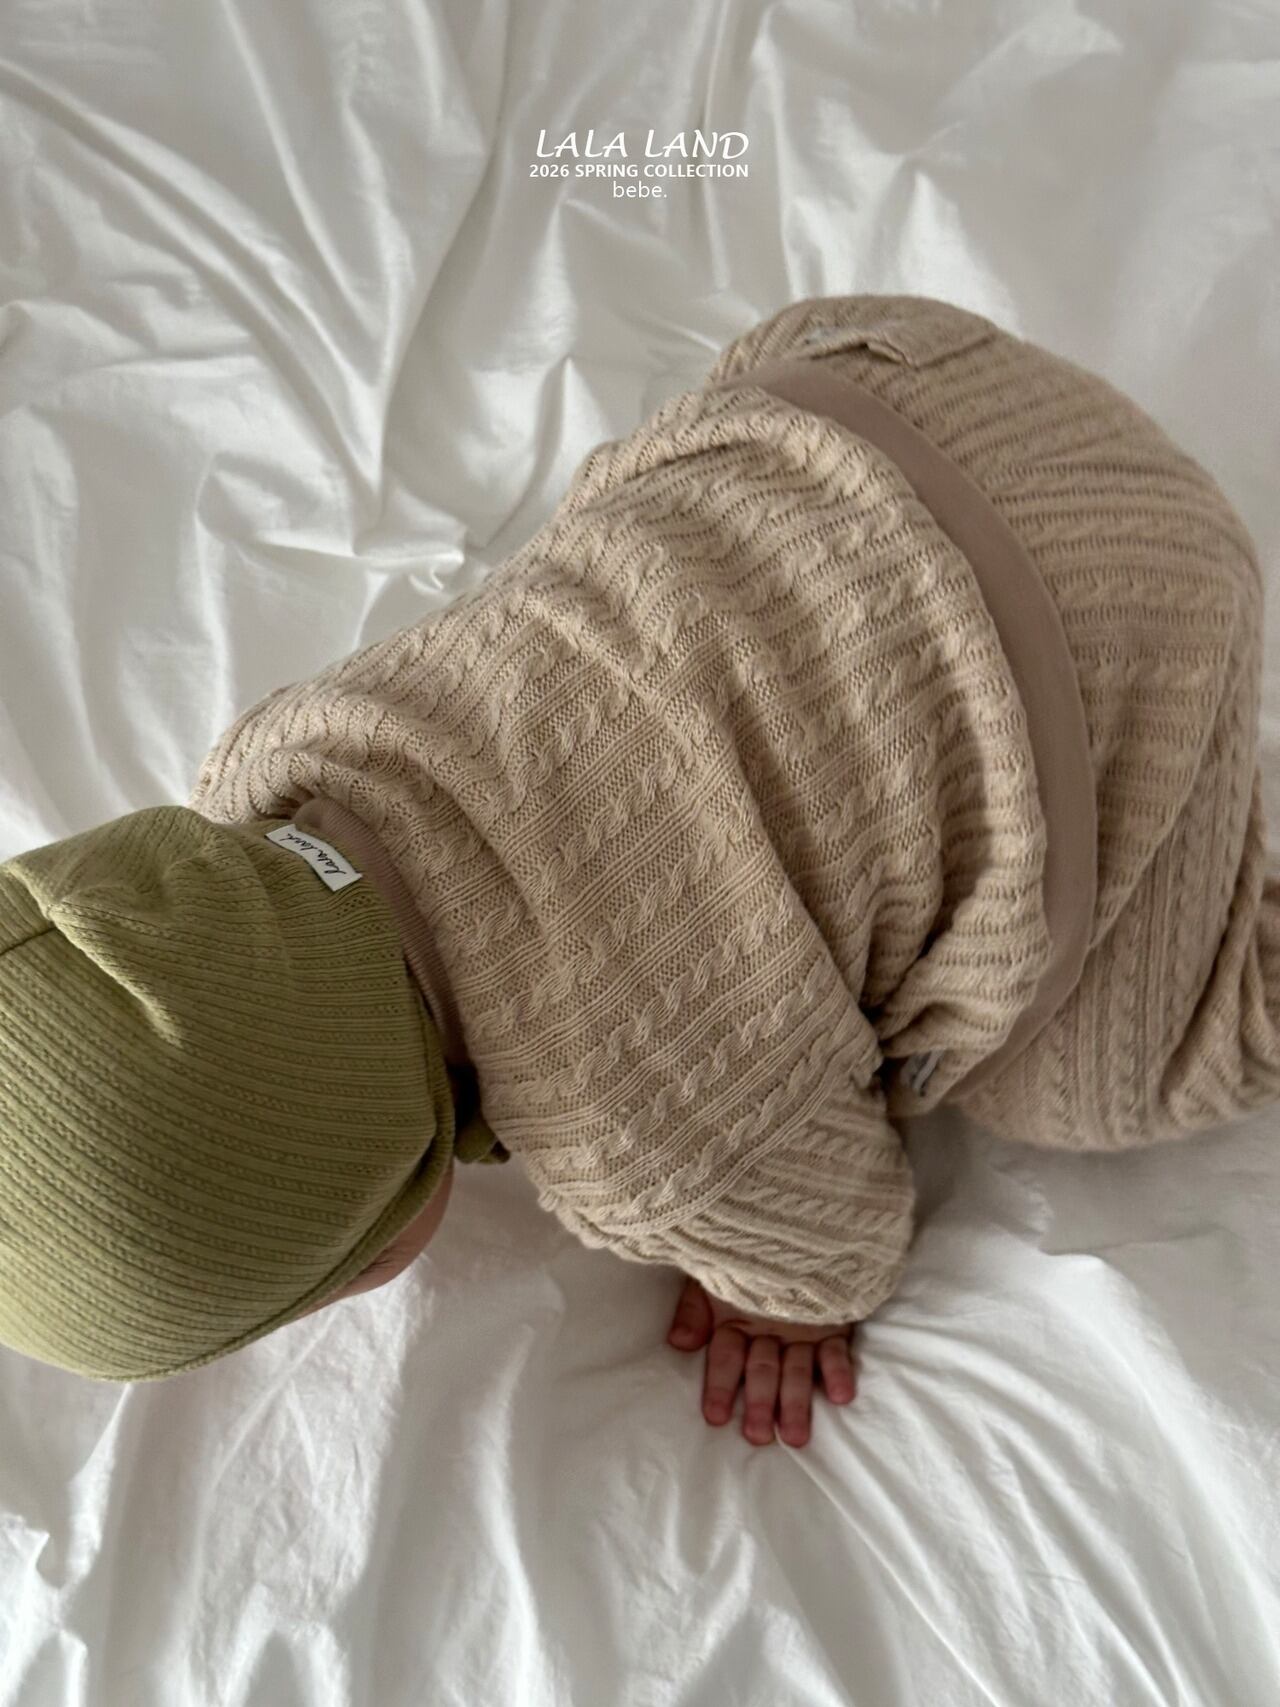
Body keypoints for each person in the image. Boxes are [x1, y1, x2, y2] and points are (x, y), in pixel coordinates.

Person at [1, 294, 1275, 1456]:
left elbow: (839, 1233)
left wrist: (775, 1297)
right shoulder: (295, 747)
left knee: (1112, 1072)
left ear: (363, 1230)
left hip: (1128, 657)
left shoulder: (634, 1141)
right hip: (905, 399)